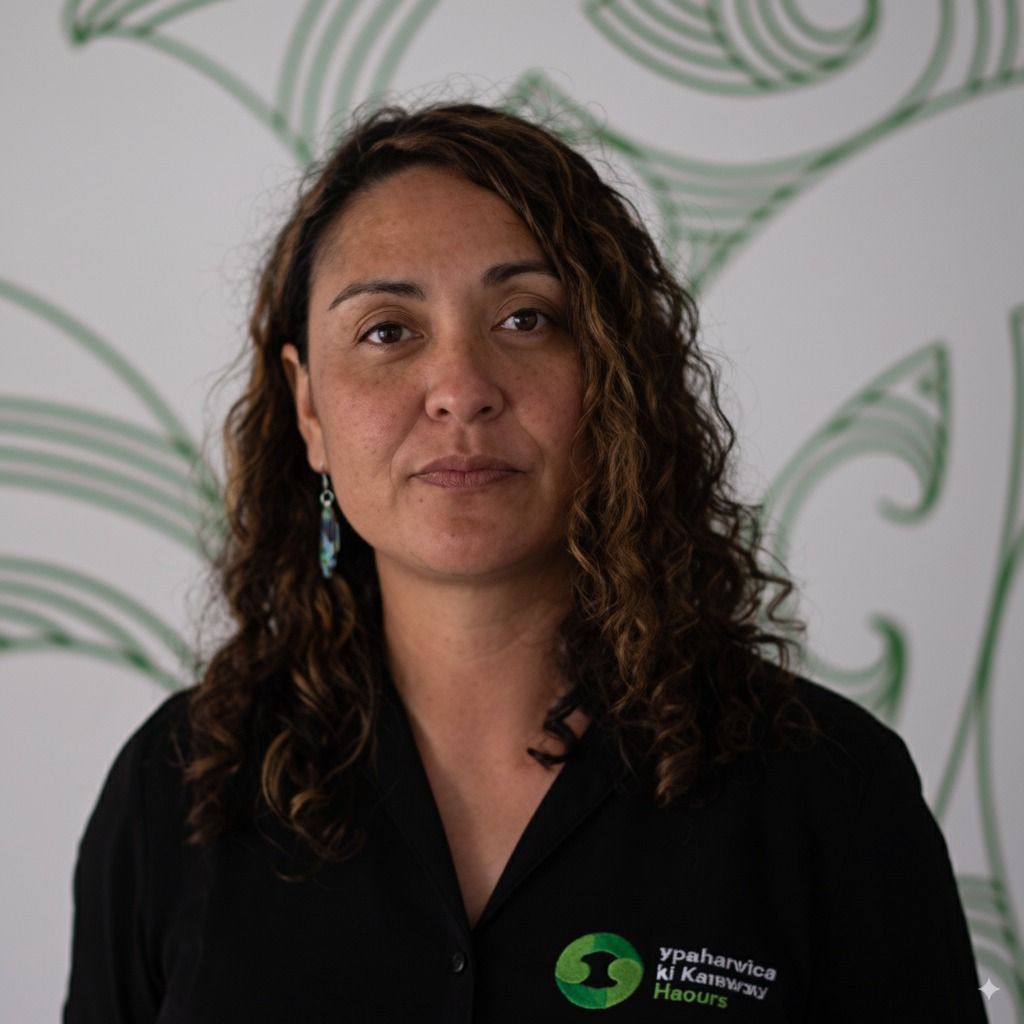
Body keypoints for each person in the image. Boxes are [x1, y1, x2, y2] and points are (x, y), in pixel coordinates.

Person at [62, 102, 988, 1022]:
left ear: (613, 378)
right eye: (388, 330)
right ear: (309, 408)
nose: (462, 389)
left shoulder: (825, 789)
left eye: (526, 319)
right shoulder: (179, 792)